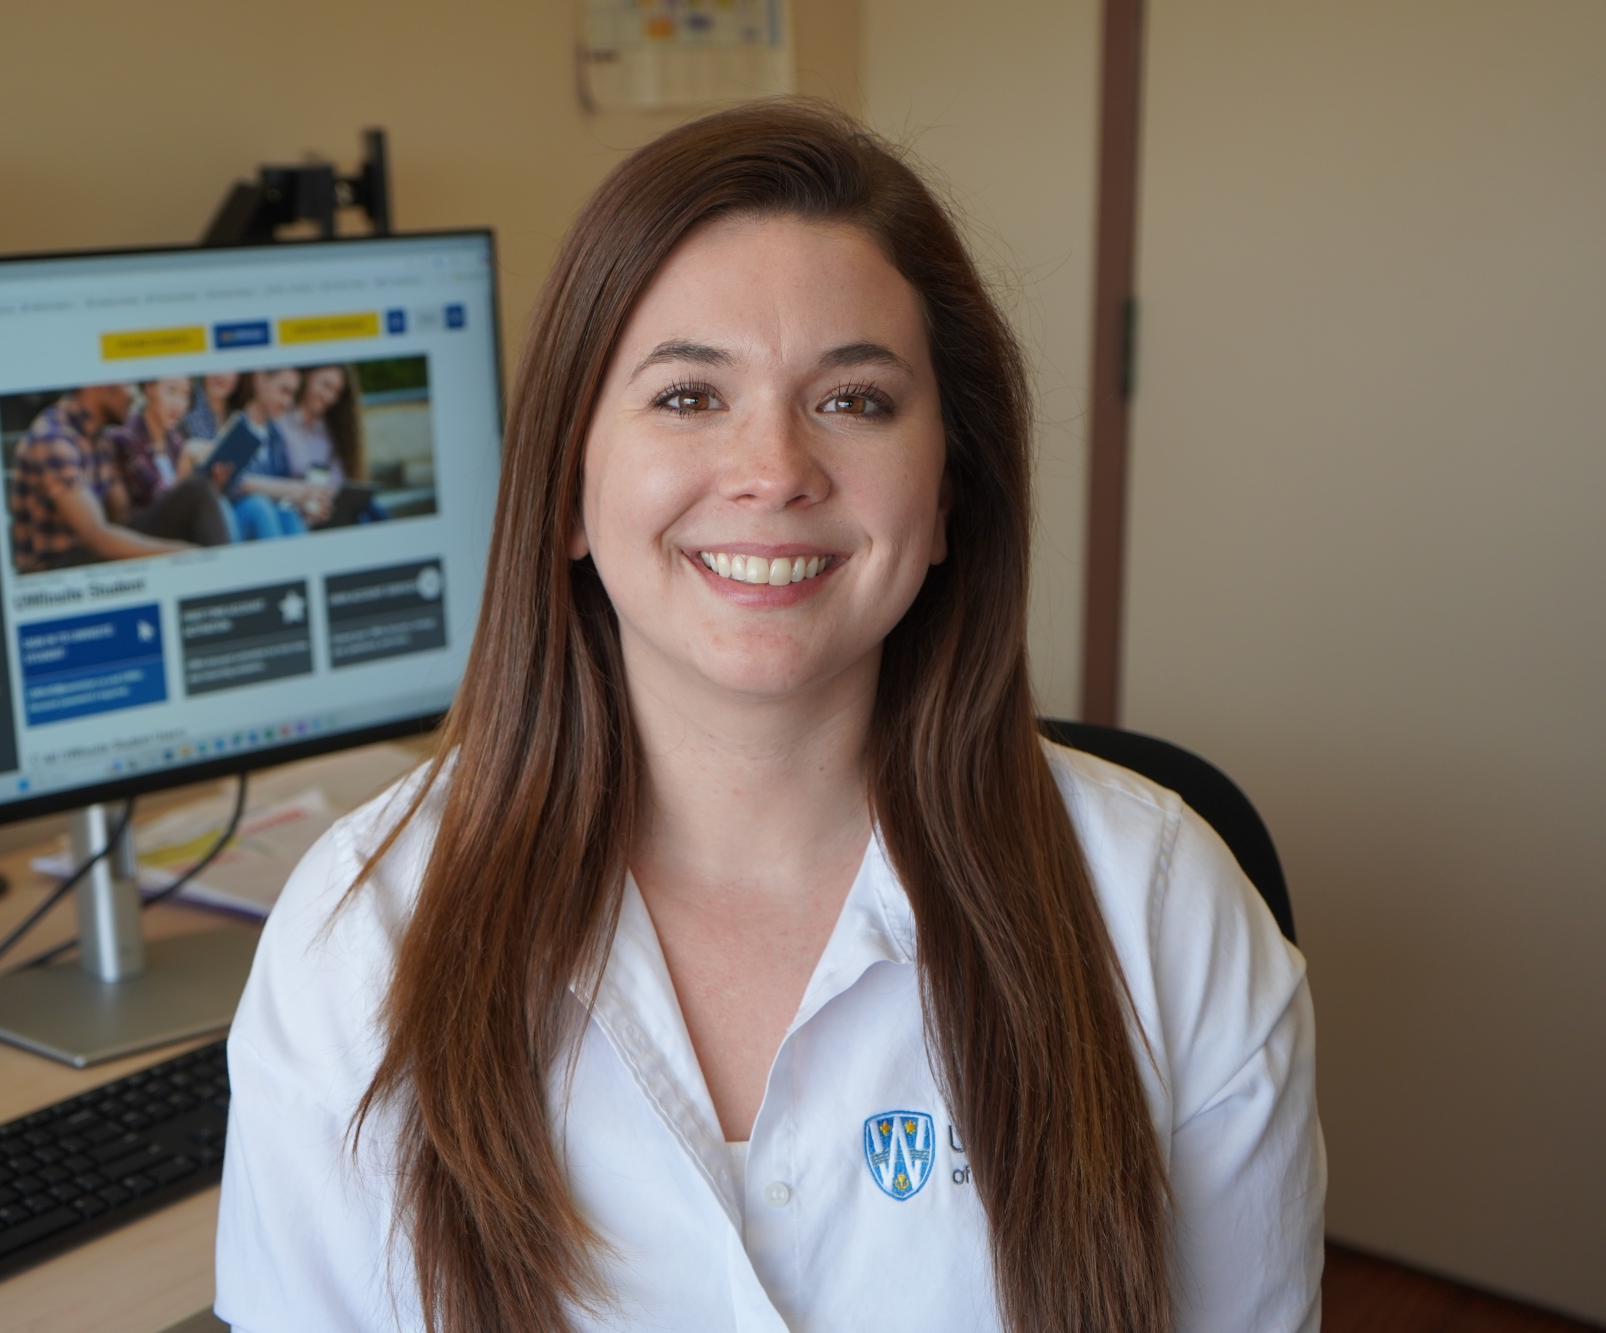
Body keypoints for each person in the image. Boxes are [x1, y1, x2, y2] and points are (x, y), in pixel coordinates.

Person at [215, 102, 1324, 1333]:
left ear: (948, 493)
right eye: (688, 396)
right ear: (569, 489)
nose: (773, 469)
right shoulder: (356, 936)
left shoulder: (1160, 905)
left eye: (852, 401)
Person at [8, 383, 224, 573]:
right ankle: (219, 581)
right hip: (56, 568)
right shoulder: (54, 439)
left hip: (90, 551)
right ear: (98, 386)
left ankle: (224, 582)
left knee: (196, 492)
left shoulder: (99, 437)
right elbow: (96, 536)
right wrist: (183, 554)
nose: (133, 395)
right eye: (127, 385)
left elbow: (123, 516)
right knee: (187, 531)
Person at [101, 377, 236, 542]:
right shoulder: (125, 439)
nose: (178, 404)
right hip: (143, 538)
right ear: (149, 387)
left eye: (185, 395)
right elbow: (163, 506)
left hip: (182, 533)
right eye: (171, 391)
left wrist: (215, 480)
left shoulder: (176, 440)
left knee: (227, 504)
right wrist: (185, 462)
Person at [221, 367, 328, 531]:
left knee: (288, 513)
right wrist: (293, 490)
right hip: (237, 519)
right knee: (259, 506)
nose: (288, 402)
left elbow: (282, 495)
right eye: (284, 390)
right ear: (260, 379)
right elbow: (234, 481)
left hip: (273, 519)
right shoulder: (233, 425)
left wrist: (304, 503)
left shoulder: (275, 436)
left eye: (292, 394)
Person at [278, 364, 386, 525]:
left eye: (336, 392)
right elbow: (280, 494)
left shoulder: (327, 433)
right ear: (308, 376)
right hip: (298, 514)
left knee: (372, 510)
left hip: (328, 511)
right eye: (326, 385)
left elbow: (337, 482)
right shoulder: (281, 425)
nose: (330, 397)